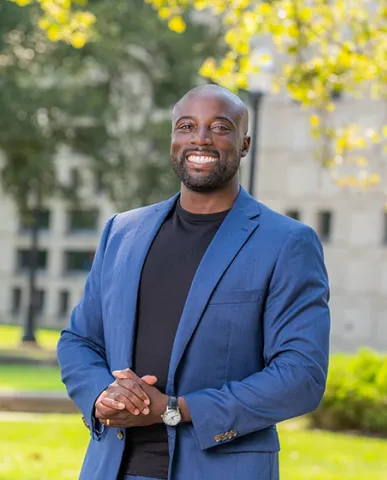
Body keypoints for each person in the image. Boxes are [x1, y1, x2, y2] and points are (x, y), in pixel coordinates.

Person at [57, 84, 331, 480]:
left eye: (220, 127)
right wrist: (101, 394)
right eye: (187, 126)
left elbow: (301, 376)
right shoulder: (123, 231)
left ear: (244, 144)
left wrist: (174, 409)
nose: (200, 137)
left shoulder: (287, 242)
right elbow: (79, 340)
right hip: (111, 468)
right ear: (173, 138)